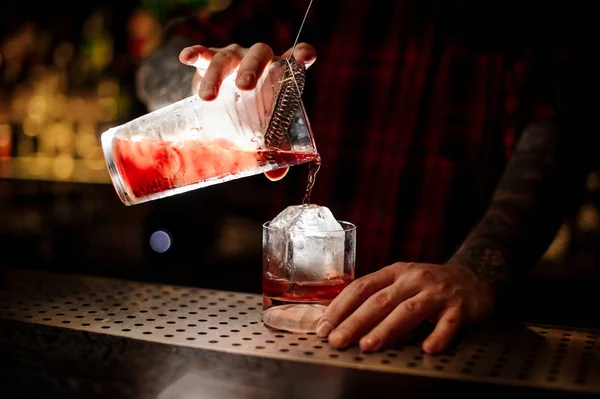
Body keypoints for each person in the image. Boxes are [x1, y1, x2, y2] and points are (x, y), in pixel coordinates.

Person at [135, 0, 592, 354]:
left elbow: (559, 143)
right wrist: (204, 91)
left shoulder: (521, 21)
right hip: (293, 338)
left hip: (441, 344)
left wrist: (475, 272)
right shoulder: (312, 7)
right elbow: (158, 67)